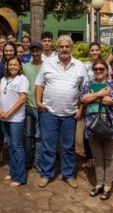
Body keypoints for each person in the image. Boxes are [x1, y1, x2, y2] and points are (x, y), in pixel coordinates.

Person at [35, 35, 88, 188]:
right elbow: (39, 85)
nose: (64, 49)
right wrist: (39, 102)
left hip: (70, 114)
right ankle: (46, 174)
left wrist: (81, 109)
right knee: (48, 146)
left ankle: (69, 175)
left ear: (71, 48)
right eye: (61, 46)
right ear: (57, 48)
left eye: (67, 46)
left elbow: (84, 90)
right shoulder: (48, 64)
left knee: (68, 147)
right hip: (49, 113)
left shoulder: (79, 65)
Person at [80, 59, 113, 200]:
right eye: (96, 69)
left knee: (109, 157)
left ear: (107, 70)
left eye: (101, 69)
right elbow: (83, 99)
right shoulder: (88, 84)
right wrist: (101, 94)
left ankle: (107, 186)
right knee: (97, 157)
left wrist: (93, 96)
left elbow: (111, 100)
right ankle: (99, 184)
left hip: (110, 126)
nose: (98, 71)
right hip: (93, 126)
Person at [0, 56, 29, 186]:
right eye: (10, 64)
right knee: (10, 145)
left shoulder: (22, 79)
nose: (12, 67)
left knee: (17, 146)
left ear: (20, 66)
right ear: (7, 66)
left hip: (15, 118)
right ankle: (13, 171)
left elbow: (22, 99)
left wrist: (9, 112)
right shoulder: (4, 79)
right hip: (3, 117)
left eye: (15, 65)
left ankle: (20, 177)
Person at [82, 42, 113, 168]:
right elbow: (84, 85)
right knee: (88, 128)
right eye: (92, 50)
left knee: (103, 128)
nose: (94, 52)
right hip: (88, 100)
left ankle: (105, 160)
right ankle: (90, 157)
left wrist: (100, 95)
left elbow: (109, 82)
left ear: (100, 51)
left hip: (102, 101)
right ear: (89, 52)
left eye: (97, 50)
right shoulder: (84, 66)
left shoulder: (106, 65)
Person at [23, 41, 43, 171]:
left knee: (40, 137)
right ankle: (27, 162)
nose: (35, 53)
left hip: (41, 107)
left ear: (41, 51)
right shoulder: (25, 67)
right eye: (33, 51)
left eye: (37, 51)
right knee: (28, 136)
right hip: (28, 106)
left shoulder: (46, 66)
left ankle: (38, 162)